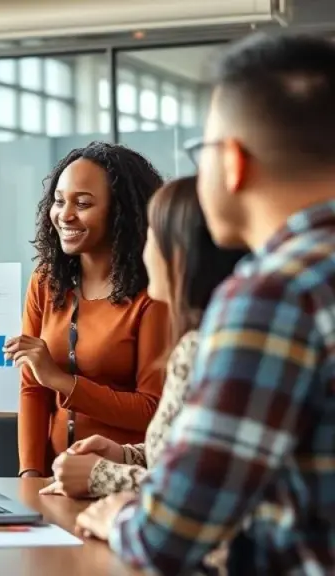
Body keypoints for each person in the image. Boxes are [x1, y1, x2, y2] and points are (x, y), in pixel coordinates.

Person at [76, 32, 335, 575]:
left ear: (234, 162)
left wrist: (123, 513)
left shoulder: (275, 293)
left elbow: (170, 535)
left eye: (204, 150)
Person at [41, 176, 245, 500]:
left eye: (150, 236)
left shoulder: (202, 350)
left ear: (182, 254)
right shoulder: (211, 339)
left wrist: (101, 476)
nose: (142, 251)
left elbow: (199, 488)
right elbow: (186, 454)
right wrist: (125, 454)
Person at [6, 141, 170, 478]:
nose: (65, 215)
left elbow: (153, 409)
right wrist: (30, 473)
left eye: (82, 203)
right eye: (59, 201)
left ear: (122, 211)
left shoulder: (154, 293)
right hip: (53, 478)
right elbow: (33, 389)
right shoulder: (46, 281)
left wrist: (61, 381)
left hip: (122, 480)